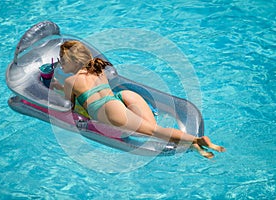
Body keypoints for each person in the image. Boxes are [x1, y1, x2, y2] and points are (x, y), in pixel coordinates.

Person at [53, 40, 226, 159]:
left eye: (63, 61)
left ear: (74, 62)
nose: (61, 64)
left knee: (153, 131)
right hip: (115, 103)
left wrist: (55, 86)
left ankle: (196, 140)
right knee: (154, 129)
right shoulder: (98, 70)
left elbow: (70, 105)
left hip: (106, 113)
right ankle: (194, 144)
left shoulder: (70, 81)